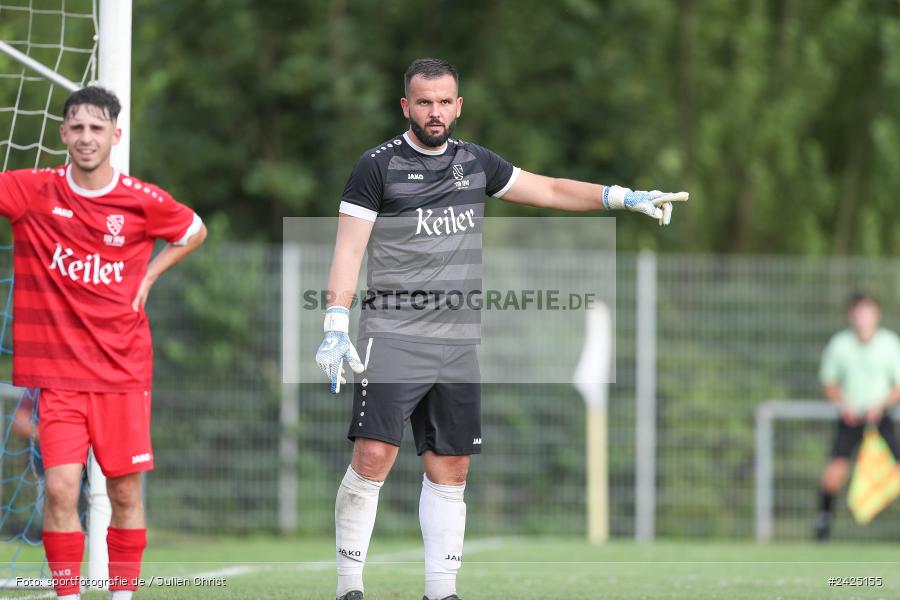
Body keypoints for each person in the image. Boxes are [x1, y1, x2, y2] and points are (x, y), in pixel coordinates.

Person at [315, 58, 688, 600]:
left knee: (452, 467)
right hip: (392, 334)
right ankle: (350, 588)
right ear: (406, 107)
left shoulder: (476, 163)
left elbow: (552, 190)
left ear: (458, 105)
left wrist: (618, 196)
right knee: (374, 456)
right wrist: (334, 320)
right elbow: (348, 249)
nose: (435, 111)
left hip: (457, 343)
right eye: (424, 102)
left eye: (444, 101)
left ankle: (441, 593)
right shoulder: (376, 167)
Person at [0, 86, 207, 599]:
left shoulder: (140, 199)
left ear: (115, 135)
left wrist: (152, 275)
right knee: (61, 491)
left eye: (97, 128)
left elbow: (194, 229)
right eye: (77, 127)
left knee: (123, 491)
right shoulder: (33, 191)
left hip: (121, 372)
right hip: (59, 379)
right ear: (63, 132)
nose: (86, 137)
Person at [814, 292, 900, 540]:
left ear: (877, 314)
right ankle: (823, 523)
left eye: (867, 312)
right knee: (834, 472)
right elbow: (829, 383)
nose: (862, 318)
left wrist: (881, 405)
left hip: (880, 417)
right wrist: (843, 404)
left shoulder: (890, 344)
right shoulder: (840, 344)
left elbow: (897, 386)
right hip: (850, 418)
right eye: (858, 313)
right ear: (851, 316)